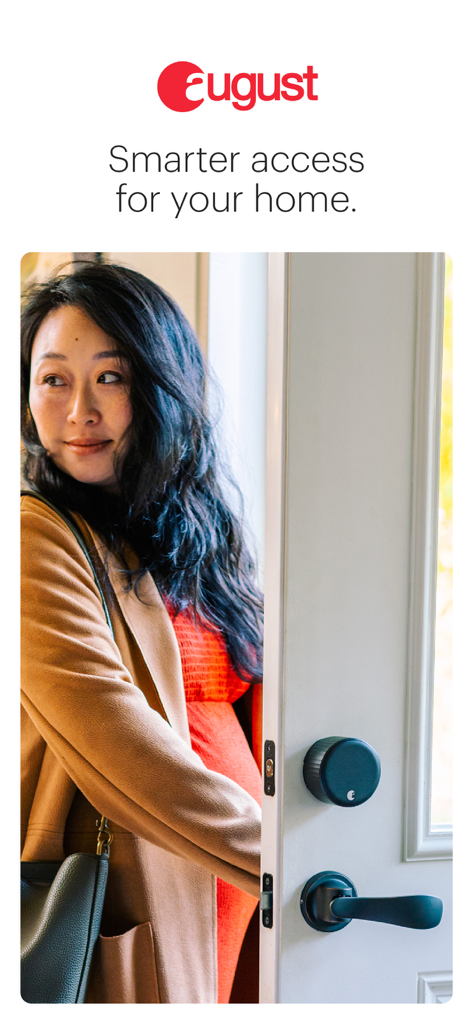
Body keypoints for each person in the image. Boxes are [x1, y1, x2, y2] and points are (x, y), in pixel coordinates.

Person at [21, 261, 263, 1004]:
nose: (79, 411)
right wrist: (283, 853)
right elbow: (115, 739)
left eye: (111, 377)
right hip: (139, 894)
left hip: (226, 894)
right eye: (53, 380)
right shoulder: (31, 535)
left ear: (161, 385)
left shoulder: (201, 535)